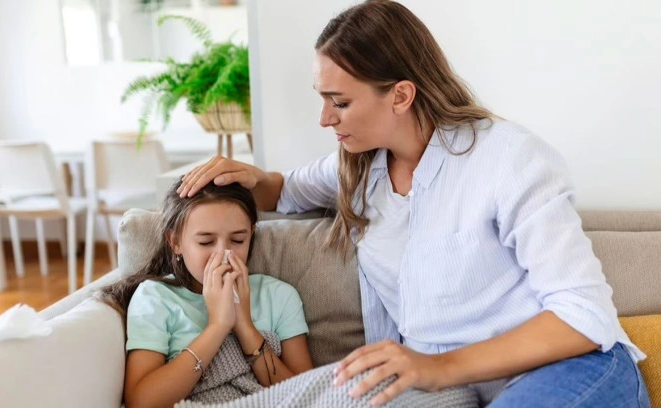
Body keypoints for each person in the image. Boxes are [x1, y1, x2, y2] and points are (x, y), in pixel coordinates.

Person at [176, 1, 650, 407]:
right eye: (322, 100)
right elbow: (284, 190)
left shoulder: (509, 159)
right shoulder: (360, 169)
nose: (324, 118)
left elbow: (583, 317)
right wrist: (239, 176)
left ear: (400, 95)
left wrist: (436, 367)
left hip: (568, 369)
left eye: (339, 102)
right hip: (451, 389)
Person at [99, 180, 314, 407]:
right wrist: (218, 326)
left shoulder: (280, 296)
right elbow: (143, 402)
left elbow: (310, 393)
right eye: (206, 241)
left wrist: (244, 326)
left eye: (238, 240)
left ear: (252, 235)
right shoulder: (154, 298)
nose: (223, 254)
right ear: (175, 242)